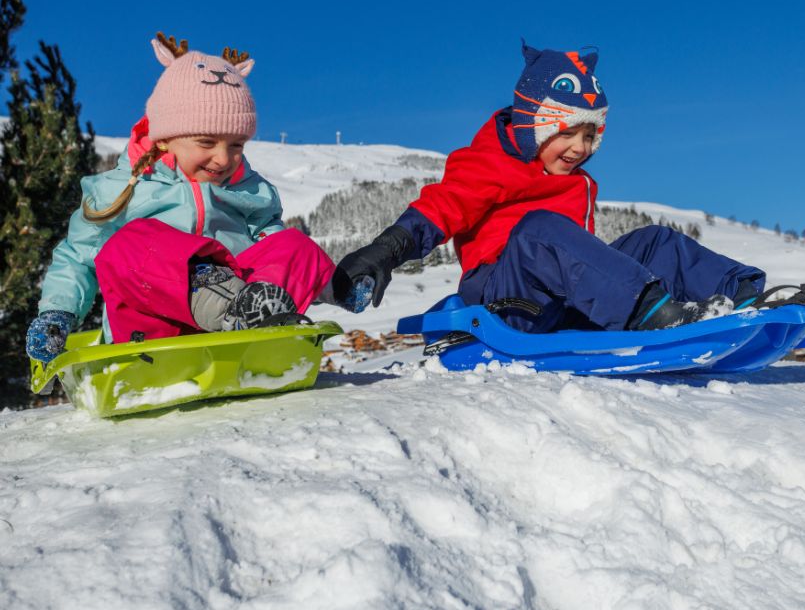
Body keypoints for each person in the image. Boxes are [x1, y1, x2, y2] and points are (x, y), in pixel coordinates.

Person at [327, 41, 765, 334]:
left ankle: (745, 297)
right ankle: (650, 314)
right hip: (504, 299)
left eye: (591, 136)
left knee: (655, 241)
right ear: (535, 125)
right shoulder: (492, 162)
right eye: (567, 132)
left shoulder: (575, 182)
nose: (580, 148)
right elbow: (444, 206)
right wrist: (385, 251)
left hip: (564, 302)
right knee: (540, 229)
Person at [25, 32, 334, 364]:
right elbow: (78, 255)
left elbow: (272, 249)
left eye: (236, 145)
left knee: (294, 244)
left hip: (239, 328)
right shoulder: (123, 187)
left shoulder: (247, 189)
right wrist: (57, 312)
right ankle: (220, 296)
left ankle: (258, 316)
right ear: (165, 138)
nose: (223, 159)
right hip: (154, 337)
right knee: (129, 243)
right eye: (206, 142)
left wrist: (334, 285)